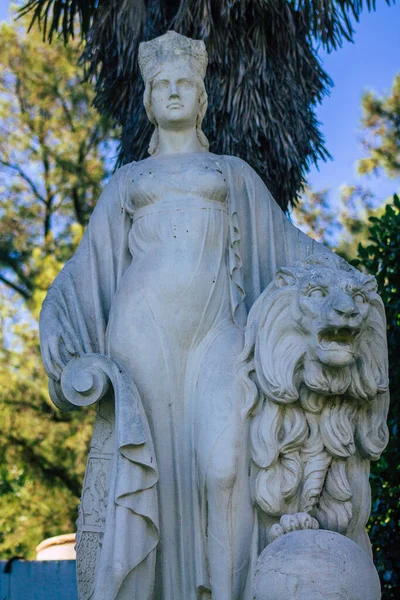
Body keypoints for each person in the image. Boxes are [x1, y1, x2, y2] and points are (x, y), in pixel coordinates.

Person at [39, 31, 328, 600]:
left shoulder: (232, 172)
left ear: (202, 99)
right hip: (140, 337)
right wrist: (56, 313)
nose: (172, 92)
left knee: (224, 467)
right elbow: (86, 268)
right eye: (161, 85)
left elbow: (289, 248)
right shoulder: (128, 181)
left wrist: (342, 277)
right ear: (148, 101)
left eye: (184, 84)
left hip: (218, 333)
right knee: (154, 476)